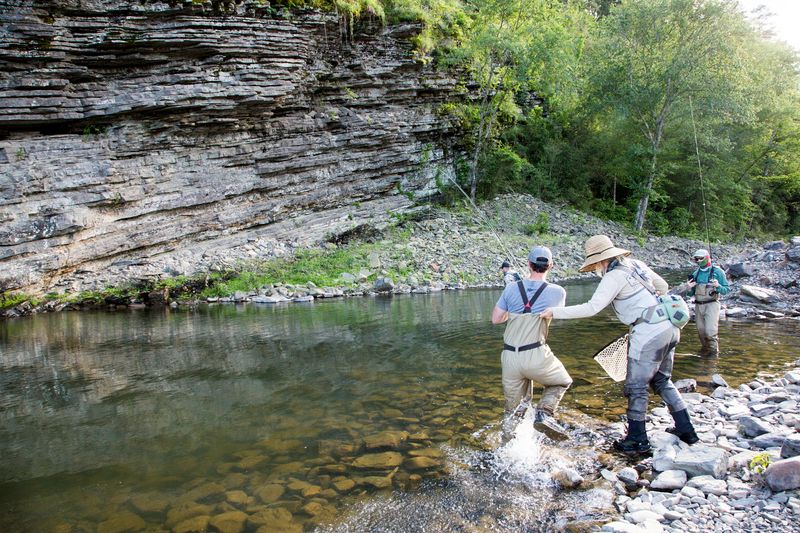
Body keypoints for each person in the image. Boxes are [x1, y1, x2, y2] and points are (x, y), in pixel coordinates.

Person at [540, 235, 698, 455]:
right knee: (661, 380)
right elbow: (662, 285)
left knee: (636, 386)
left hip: (648, 333)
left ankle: (637, 440)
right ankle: (686, 430)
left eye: (595, 264)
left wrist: (554, 312)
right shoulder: (637, 265)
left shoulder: (613, 276)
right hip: (669, 326)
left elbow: (592, 307)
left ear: (600, 261)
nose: (595, 269)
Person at [492, 246, 572, 441]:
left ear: (529, 264)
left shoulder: (511, 288)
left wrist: (514, 312)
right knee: (562, 381)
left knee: (514, 410)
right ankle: (544, 413)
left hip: (510, 358)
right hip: (536, 355)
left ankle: (507, 450)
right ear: (550, 266)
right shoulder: (558, 292)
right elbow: (554, 315)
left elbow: (496, 319)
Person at [686, 248, 729, 356]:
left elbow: (726, 290)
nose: (698, 261)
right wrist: (688, 288)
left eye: (701, 259)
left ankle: (713, 356)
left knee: (710, 332)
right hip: (698, 305)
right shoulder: (696, 273)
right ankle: (705, 353)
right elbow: (690, 294)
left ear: (707, 258)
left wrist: (718, 286)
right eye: (696, 259)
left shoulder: (718, 272)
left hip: (712, 304)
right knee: (701, 333)